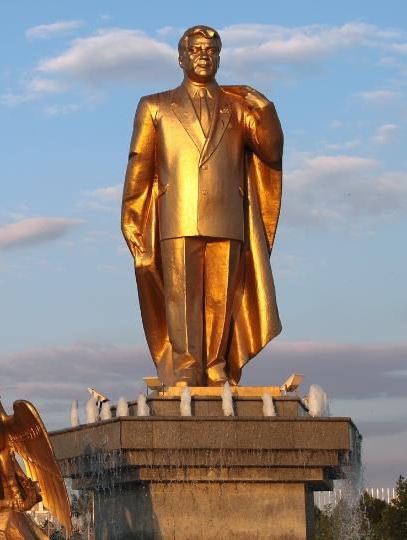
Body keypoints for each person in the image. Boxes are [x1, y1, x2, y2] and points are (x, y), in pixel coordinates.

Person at [122, 25, 284, 387]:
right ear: (181, 58)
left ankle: (215, 364)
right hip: (176, 215)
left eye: (211, 50)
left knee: (221, 297)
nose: (203, 55)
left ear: (220, 57)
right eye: (195, 49)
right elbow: (139, 162)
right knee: (180, 295)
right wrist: (131, 215)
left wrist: (265, 108)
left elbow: (270, 152)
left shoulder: (237, 108)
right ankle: (185, 365)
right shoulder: (155, 106)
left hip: (228, 215)